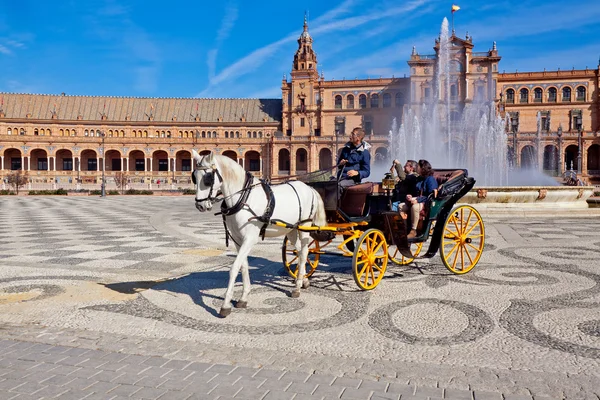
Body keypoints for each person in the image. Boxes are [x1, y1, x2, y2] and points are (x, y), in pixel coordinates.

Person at [398, 159, 438, 239]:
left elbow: (430, 196)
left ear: (423, 168)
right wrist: (410, 196)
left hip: (426, 203)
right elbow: (415, 192)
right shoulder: (419, 178)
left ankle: (413, 230)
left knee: (415, 207)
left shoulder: (430, 179)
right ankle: (405, 228)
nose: (417, 168)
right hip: (417, 200)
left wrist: (417, 200)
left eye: (418, 167)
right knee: (401, 206)